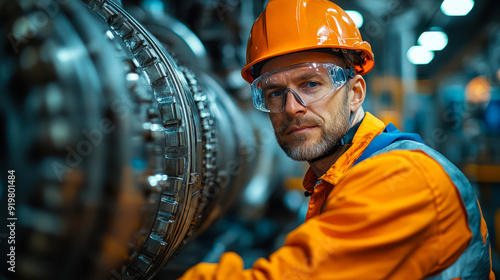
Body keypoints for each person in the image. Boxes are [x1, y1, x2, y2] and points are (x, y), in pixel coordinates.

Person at [179, 0, 495, 279]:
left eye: (311, 84)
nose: (291, 107)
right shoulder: (333, 180)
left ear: (355, 93)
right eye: (275, 92)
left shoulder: (403, 179)